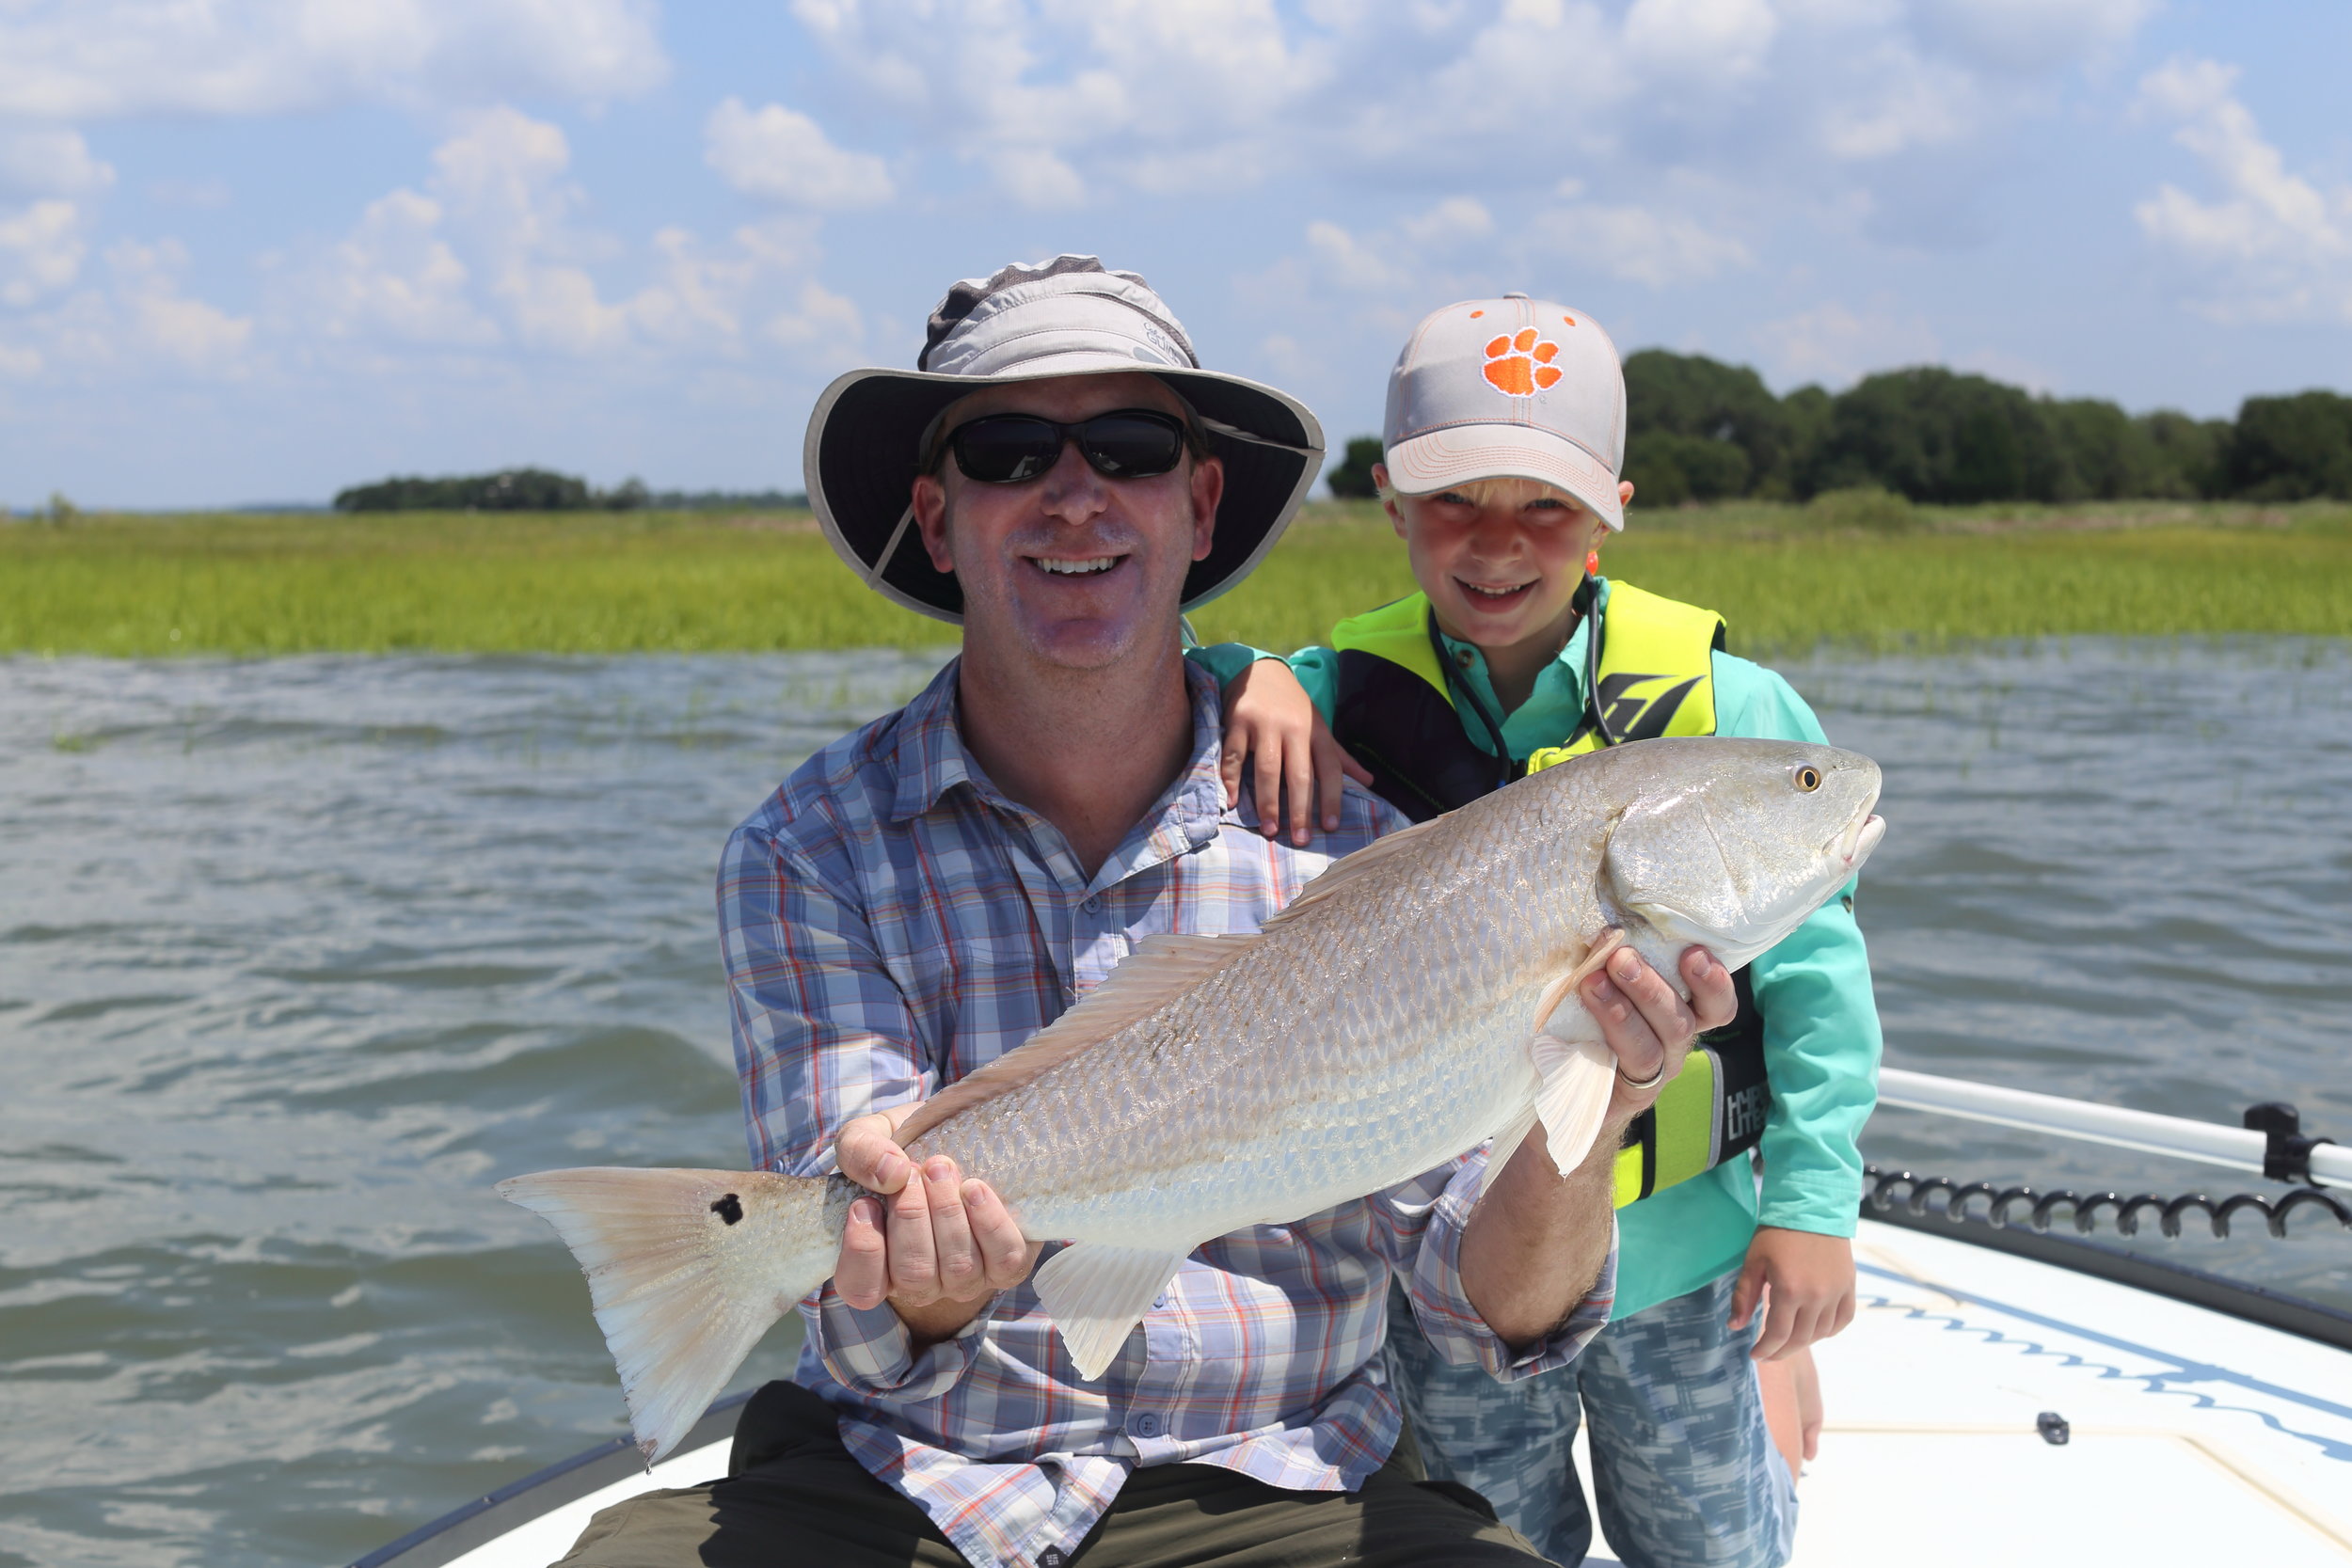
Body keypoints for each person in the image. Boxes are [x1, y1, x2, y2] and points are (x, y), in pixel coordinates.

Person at [548, 258, 1739, 1568]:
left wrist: (1606, 1098)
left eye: (1129, 446)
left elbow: (1496, 1307)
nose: (1076, 495)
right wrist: (925, 1280)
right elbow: (873, 1274)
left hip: (1286, 1487)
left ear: (1201, 502)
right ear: (939, 522)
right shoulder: (804, 851)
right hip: (910, 1482)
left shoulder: (1364, 849)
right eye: (1010, 451)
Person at [1189, 293, 1883, 1568]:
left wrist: (1813, 1212)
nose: (1498, 545)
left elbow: (1823, 998)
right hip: (1449, 1283)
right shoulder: (1334, 689)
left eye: (1546, 508)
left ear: (1611, 510)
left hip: (1679, 1254)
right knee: (1495, 1540)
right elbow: (1192, 674)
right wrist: (1250, 667)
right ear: (1391, 503)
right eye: (1455, 501)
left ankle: (1772, 1415)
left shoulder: (1738, 714)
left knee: (1707, 1545)